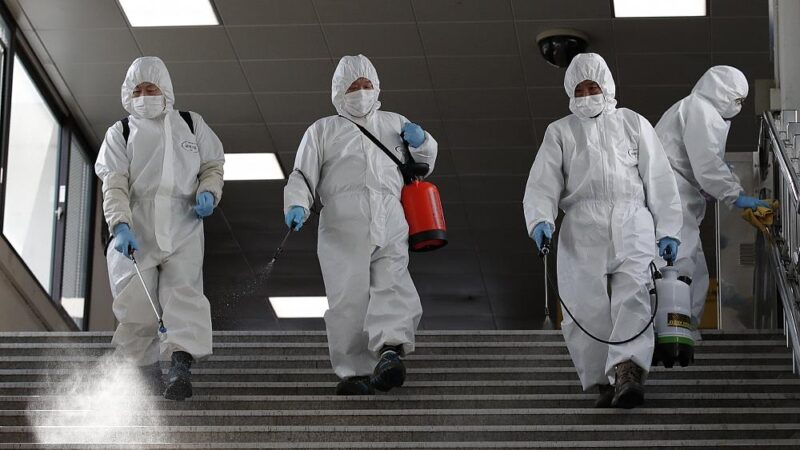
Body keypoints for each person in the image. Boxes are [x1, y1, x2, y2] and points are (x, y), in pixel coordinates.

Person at [523, 53, 682, 409]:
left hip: (632, 221)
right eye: (579, 90)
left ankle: (628, 371)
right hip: (582, 225)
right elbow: (543, 181)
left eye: (592, 87)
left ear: (606, 86)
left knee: (634, 295)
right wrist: (540, 219)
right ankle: (601, 380)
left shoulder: (633, 123)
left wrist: (668, 229)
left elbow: (658, 177)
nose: (586, 95)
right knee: (584, 305)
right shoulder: (561, 132)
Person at [282, 54, 437, 395]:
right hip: (342, 220)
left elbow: (424, 163)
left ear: (377, 87)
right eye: (354, 86)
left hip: (390, 212)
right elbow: (303, 174)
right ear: (339, 91)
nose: (362, 92)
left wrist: (423, 142)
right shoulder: (322, 130)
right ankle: (355, 372)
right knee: (348, 295)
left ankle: (390, 351)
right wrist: (297, 203)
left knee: (392, 281)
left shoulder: (395, 123)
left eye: (367, 84)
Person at [95, 56, 225, 401]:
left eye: (150, 88)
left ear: (165, 89)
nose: (144, 96)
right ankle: (145, 372)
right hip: (137, 227)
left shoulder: (191, 124)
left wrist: (209, 191)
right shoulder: (121, 132)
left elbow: (213, 165)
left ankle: (180, 366)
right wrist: (120, 225)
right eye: (137, 90)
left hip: (184, 223)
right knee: (137, 305)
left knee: (184, 295)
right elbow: (114, 183)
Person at [655, 66, 768, 341]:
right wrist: (735, 195)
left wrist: (715, 183)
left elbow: (700, 163)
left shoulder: (698, 109)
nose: (738, 107)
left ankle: (682, 326)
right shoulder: (701, 110)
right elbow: (707, 165)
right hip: (671, 195)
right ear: (722, 92)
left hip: (677, 194)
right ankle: (669, 328)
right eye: (737, 99)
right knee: (677, 264)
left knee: (692, 266)